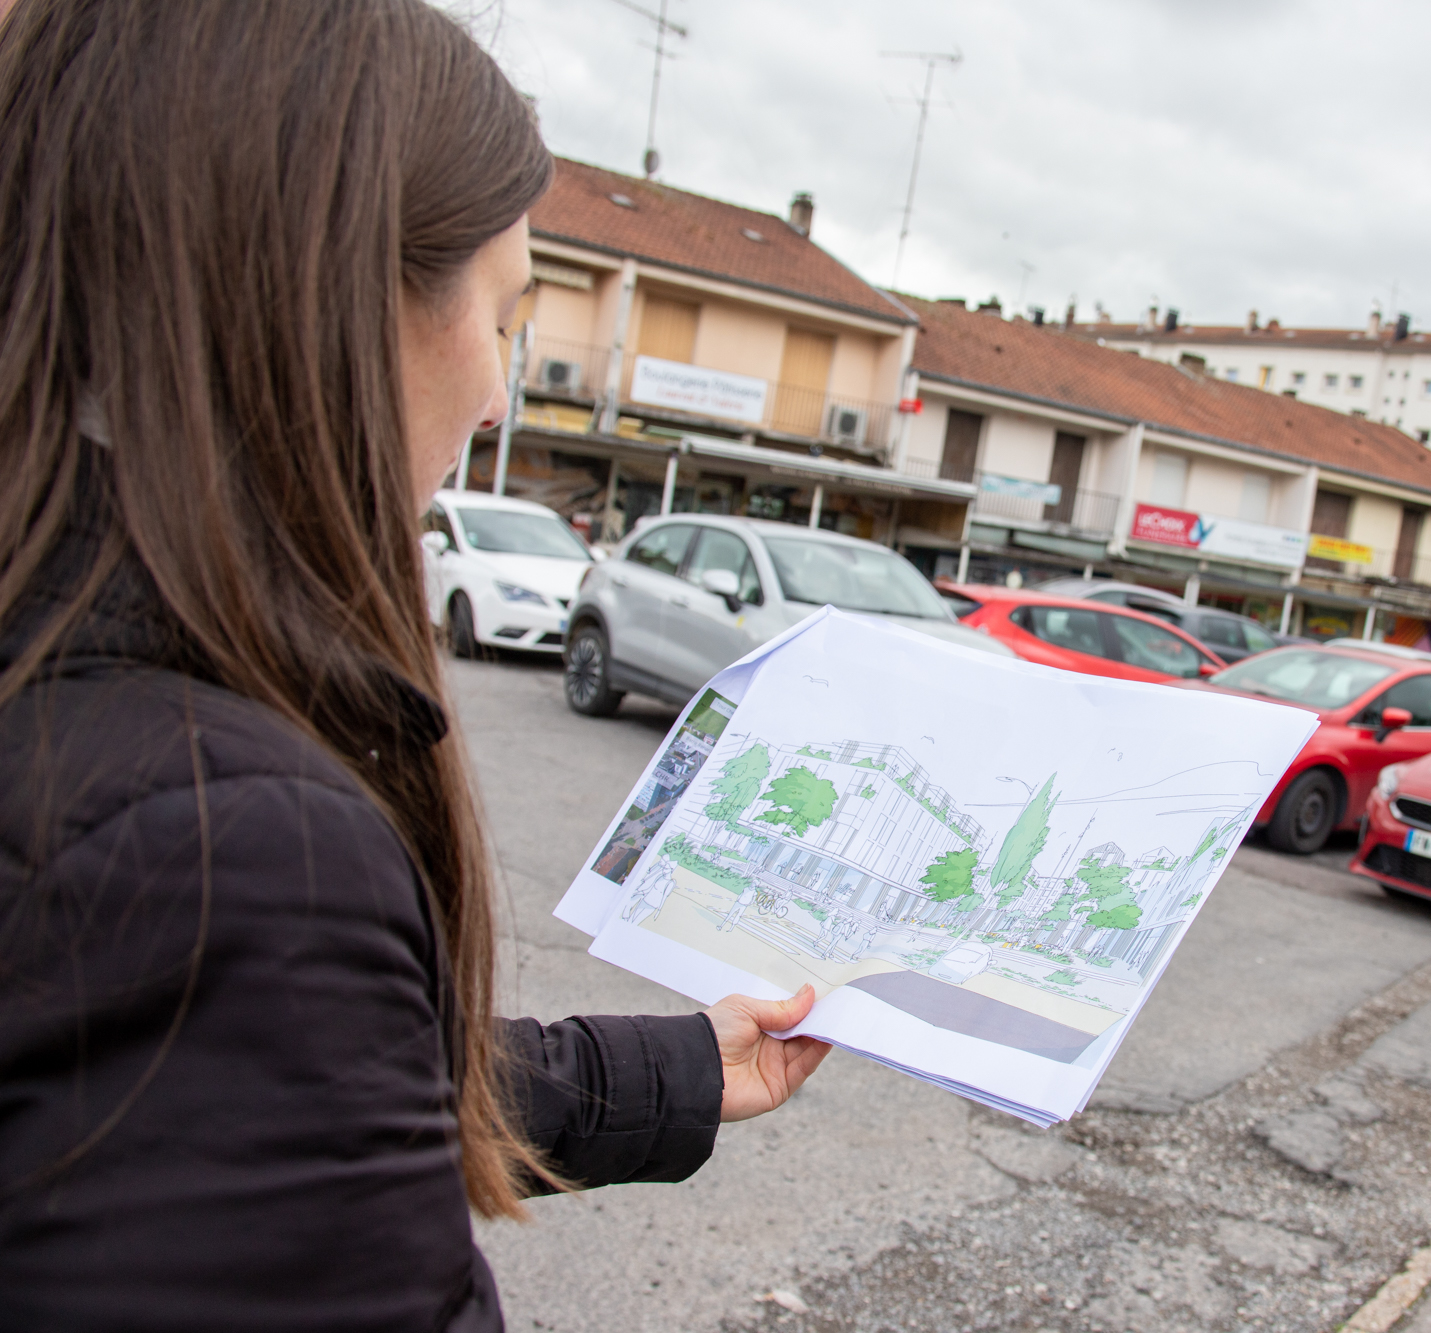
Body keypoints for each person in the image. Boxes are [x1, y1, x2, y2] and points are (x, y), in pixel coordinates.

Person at [0, 2, 830, 1327]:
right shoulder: (232, 854)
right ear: (327, 301)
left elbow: (279, 1094)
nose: (499, 395)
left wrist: (669, 1067)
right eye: (502, 313)